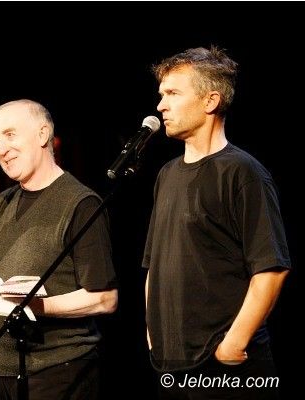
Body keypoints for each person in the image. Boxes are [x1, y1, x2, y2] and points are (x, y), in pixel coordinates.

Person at [0, 99, 118, 399]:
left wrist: (29, 306)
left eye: (10, 134)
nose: (1, 149)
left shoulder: (81, 204)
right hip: (7, 369)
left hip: (61, 370)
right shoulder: (3, 203)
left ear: (43, 135)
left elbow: (104, 299)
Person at [143, 46, 291, 399]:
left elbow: (271, 268)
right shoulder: (167, 175)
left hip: (224, 365)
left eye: (173, 93)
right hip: (172, 364)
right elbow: (155, 263)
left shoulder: (243, 172)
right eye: (161, 94)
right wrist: (153, 332)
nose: (161, 105)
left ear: (210, 101)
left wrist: (234, 343)